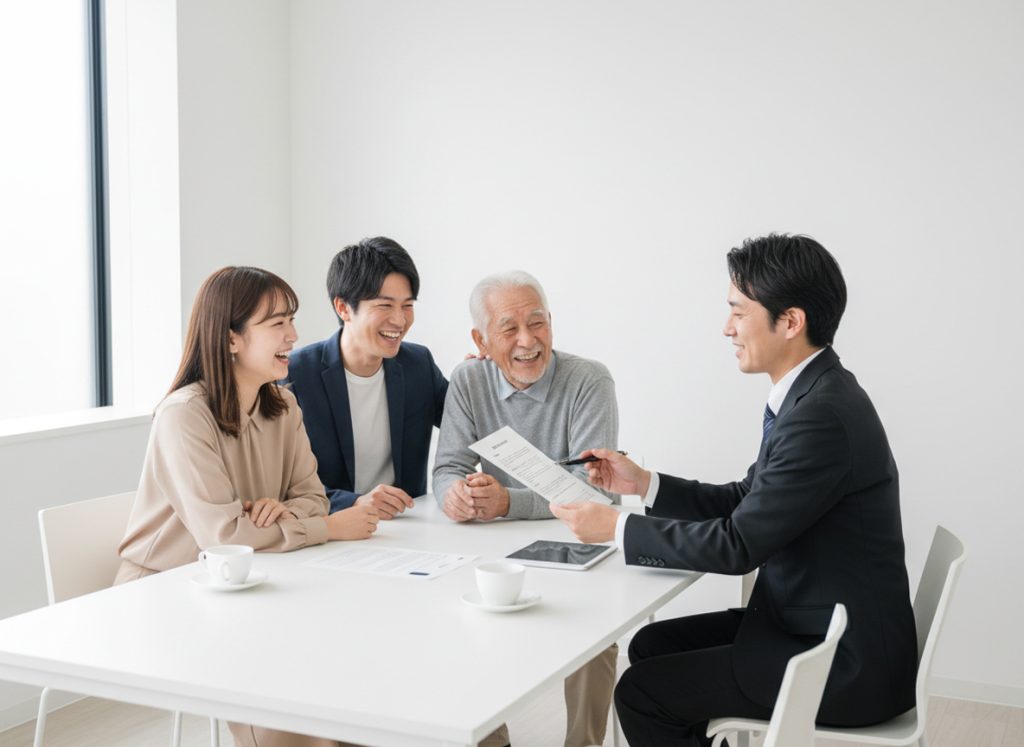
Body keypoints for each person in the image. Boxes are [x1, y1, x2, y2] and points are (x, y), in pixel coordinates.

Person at [550, 234, 917, 746]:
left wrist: (617, 527)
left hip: (842, 663)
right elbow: (747, 500)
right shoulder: (812, 394)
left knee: (641, 693)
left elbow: (738, 545)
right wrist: (644, 484)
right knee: (652, 645)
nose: (727, 329)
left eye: (738, 313)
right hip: (813, 626)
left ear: (790, 322)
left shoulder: (820, 416)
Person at [117, 266, 379, 747]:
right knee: (293, 698)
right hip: (164, 595)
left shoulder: (283, 405)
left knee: (354, 685)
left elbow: (311, 496)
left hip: (253, 582)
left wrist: (284, 515)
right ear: (232, 338)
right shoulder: (183, 416)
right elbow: (225, 539)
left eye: (292, 319)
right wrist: (327, 528)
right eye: (276, 322)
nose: (293, 335)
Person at [432, 270, 619, 747]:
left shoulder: (588, 380)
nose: (527, 340)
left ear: (552, 323)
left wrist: (506, 503)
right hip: (493, 548)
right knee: (456, 623)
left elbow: (593, 492)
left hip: (572, 541)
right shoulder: (468, 379)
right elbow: (447, 467)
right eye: (508, 329)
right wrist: (457, 494)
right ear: (480, 339)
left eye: (538, 323)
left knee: (596, 637)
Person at [285, 237, 447, 517]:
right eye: (385, 306)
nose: (400, 320)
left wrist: (483, 375)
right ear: (343, 308)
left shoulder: (418, 364)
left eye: (407, 305)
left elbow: (470, 425)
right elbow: (281, 485)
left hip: (409, 530)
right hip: (330, 531)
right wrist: (353, 503)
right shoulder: (297, 374)